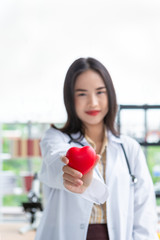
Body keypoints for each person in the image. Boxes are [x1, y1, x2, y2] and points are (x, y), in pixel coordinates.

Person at [35, 57, 158, 240]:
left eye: (100, 92)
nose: (93, 102)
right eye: (82, 94)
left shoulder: (129, 148)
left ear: (110, 94)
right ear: (70, 98)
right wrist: (71, 171)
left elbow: (144, 212)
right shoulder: (55, 139)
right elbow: (56, 160)